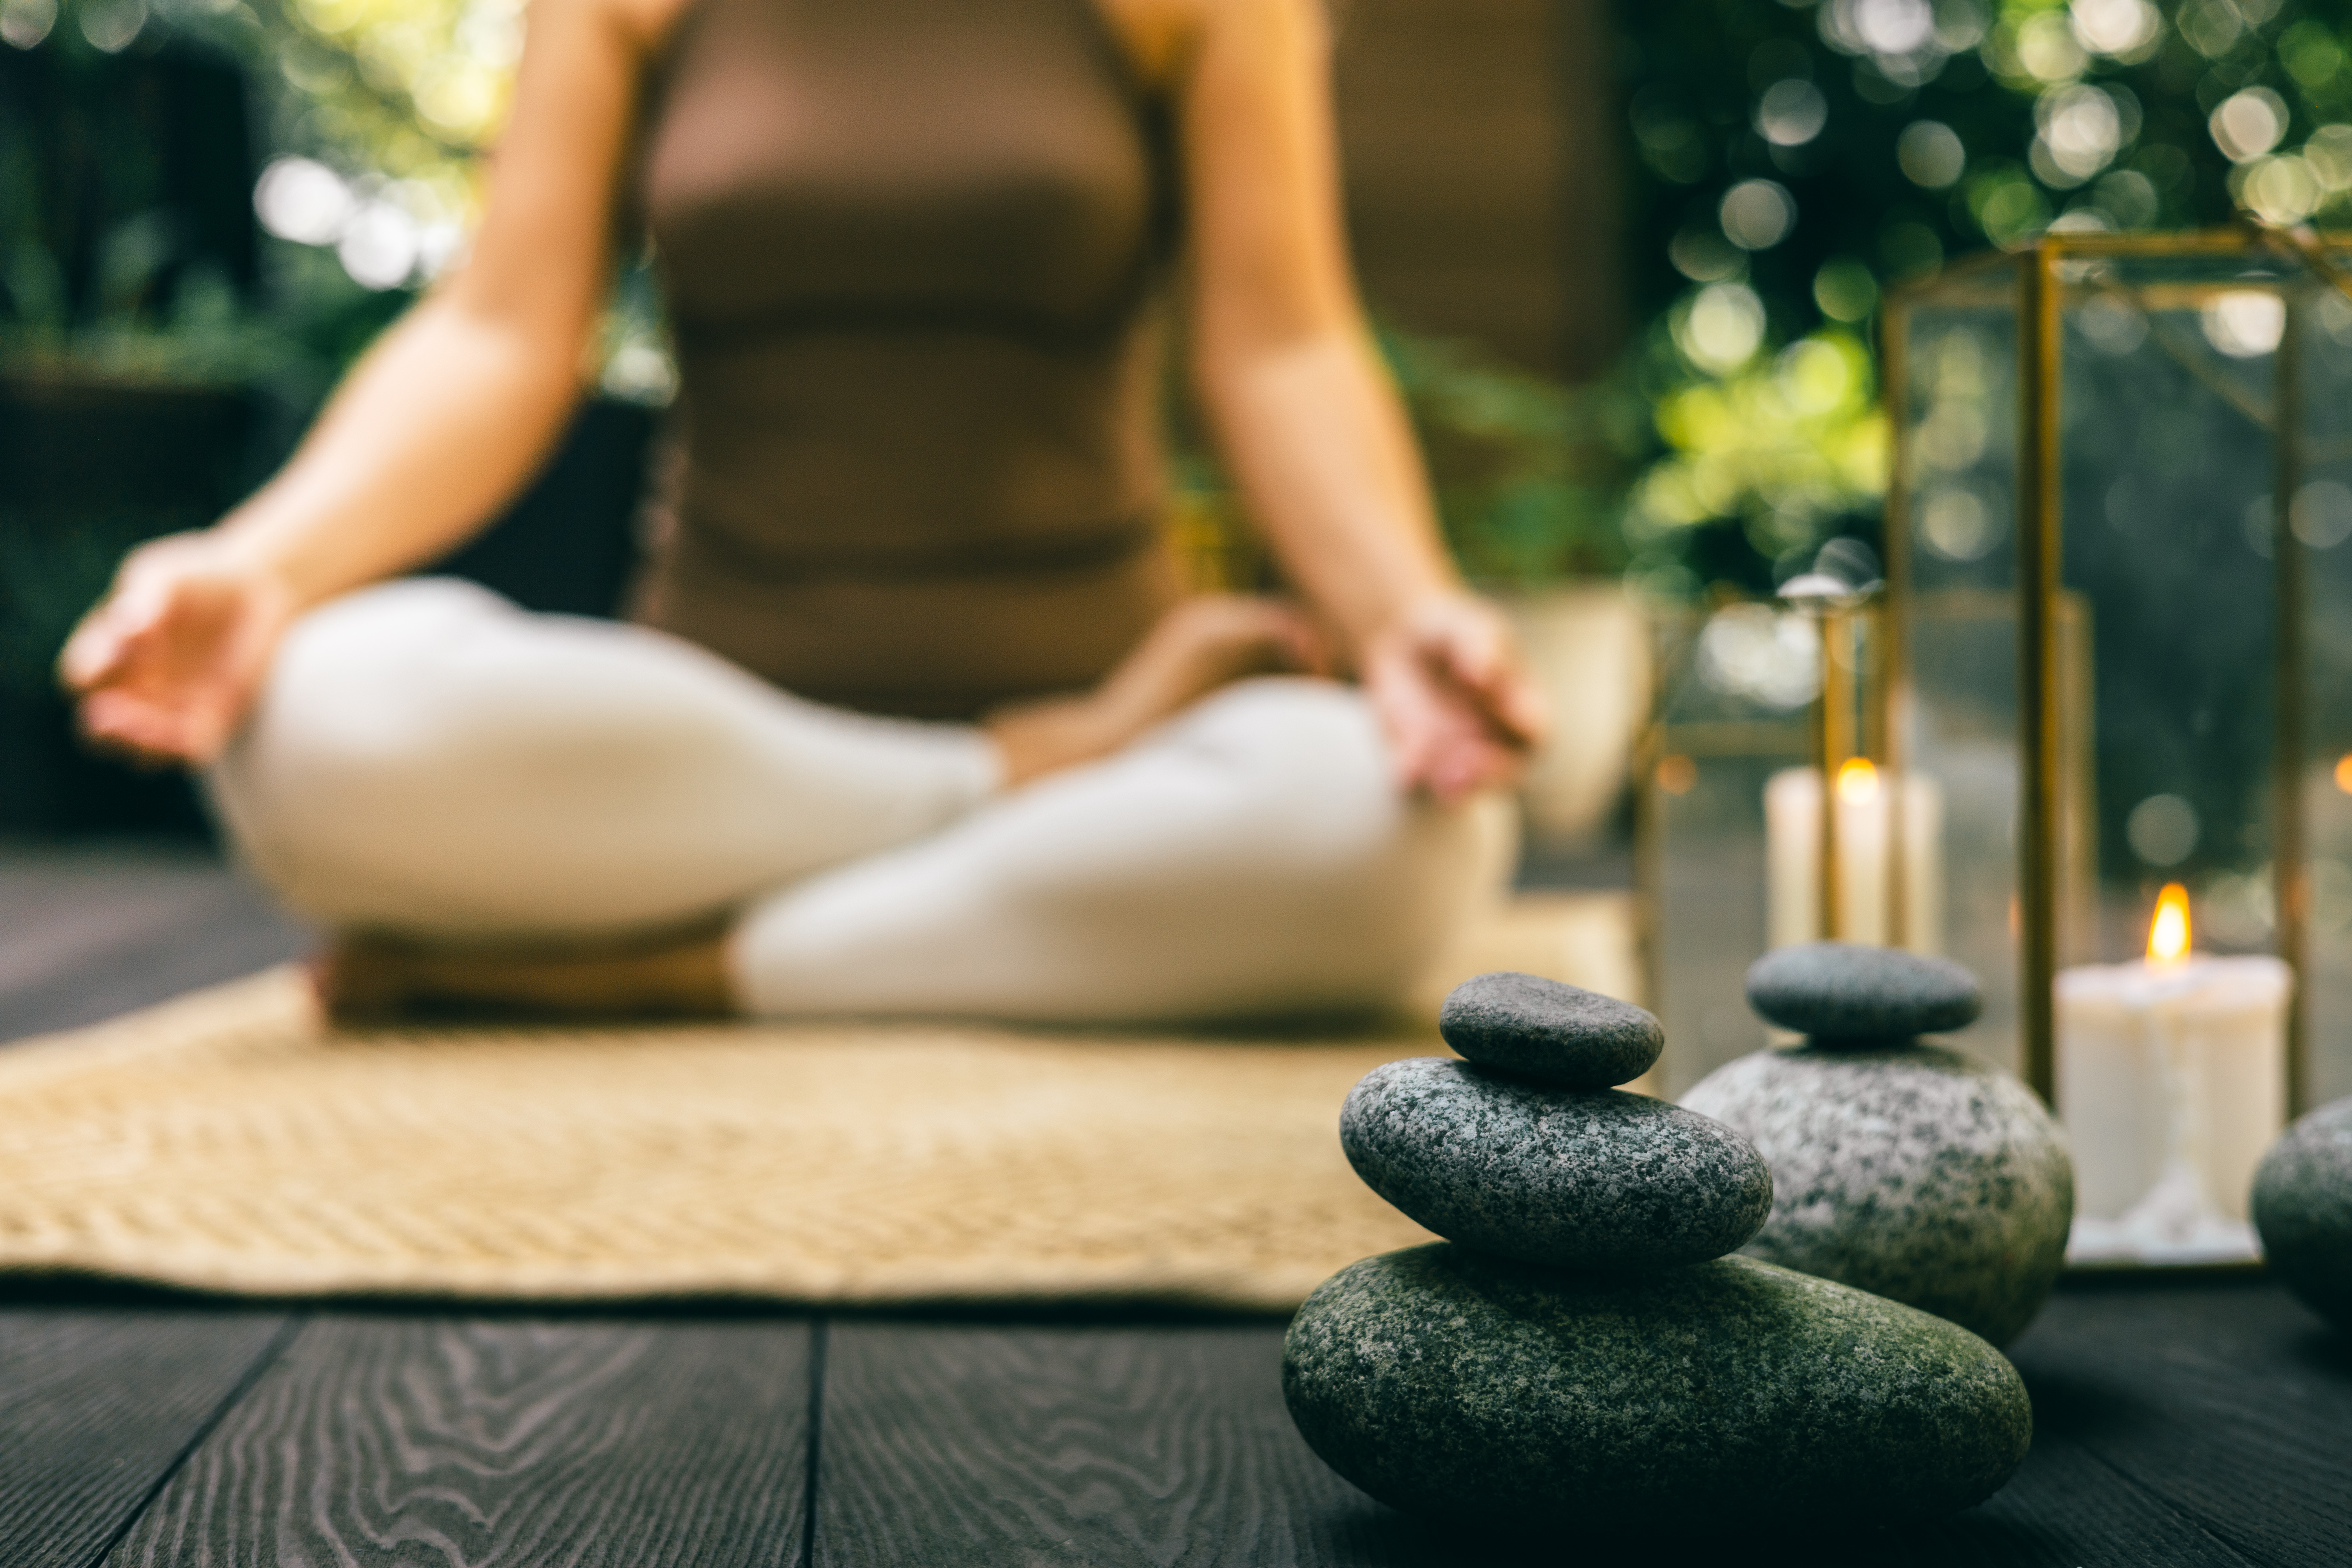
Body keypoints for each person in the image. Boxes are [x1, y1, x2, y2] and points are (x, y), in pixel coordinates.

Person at [58, 0, 1547, 1023]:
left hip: (1123, 700)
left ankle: (645, 975)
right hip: (712, 734)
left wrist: (1404, 609)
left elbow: (1280, 340)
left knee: (1406, 837)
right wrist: (258, 567)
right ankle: (1003, 793)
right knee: (308, 721)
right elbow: (504, 329)